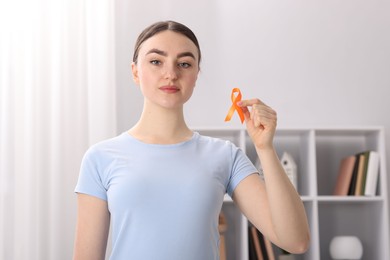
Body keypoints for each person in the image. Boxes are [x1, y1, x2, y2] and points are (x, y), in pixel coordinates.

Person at [73, 20, 310, 260]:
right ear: (135, 71)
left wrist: (265, 148)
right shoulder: (100, 158)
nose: (171, 74)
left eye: (184, 64)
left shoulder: (225, 156)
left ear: (196, 75)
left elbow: (295, 240)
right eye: (156, 61)